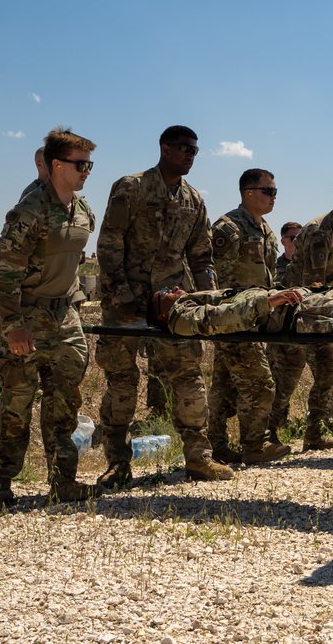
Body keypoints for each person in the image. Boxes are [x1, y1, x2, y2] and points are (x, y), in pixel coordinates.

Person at [95, 125, 233, 488]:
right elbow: (109, 244)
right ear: (164, 148)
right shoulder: (132, 187)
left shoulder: (193, 200)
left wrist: (210, 303)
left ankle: (199, 459)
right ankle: (117, 463)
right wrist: (122, 295)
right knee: (122, 381)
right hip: (126, 302)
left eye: (195, 150)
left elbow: (202, 257)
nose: (189, 155)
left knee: (188, 377)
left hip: (173, 303)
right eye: (183, 148)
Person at [0, 127, 98, 507]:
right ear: (56, 164)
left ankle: (63, 481)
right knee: (17, 402)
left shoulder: (83, 210)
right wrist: (13, 325)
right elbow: (6, 272)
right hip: (28, 316)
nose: (87, 171)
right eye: (80, 164)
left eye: (89, 164)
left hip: (65, 315)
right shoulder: (29, 210)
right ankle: (1, 483)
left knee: (64, 399)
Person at [267, 176, 333, 450]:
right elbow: (314, 284)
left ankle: (314, 434)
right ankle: (266, 434)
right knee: (286, 377)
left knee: (327, 375)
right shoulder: (320, 230)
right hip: (297, 314)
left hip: (326, 314)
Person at [205, 169, 291, 466]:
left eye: (275, 192)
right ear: (248, 193)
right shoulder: (229, 228)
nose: (273, 197)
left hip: (256, 319)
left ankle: (215, 447)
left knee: (224, 386)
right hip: (234, 319)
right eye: (268, 191)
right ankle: (255, 445)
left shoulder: (265, 229)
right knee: (260, 383)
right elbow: (217, 281)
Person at [152, 286, 333, 337]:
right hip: (296, 314)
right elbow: (223, 319)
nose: (173, 288)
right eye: (164, 292)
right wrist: (268, 302)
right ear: (162, 314)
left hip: (295, 300)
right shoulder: (182, 319)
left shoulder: (188, 303)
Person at [275, 221, 302, 287]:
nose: (297, 242)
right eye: (294, 238)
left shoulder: (310, 265)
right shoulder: (273, 267)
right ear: (283, 241)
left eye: (301, 238)